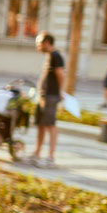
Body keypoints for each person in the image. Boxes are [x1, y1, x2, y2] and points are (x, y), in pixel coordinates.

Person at [32, 33, 66, 167]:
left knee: (50, 125)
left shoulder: (56, 56)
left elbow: (61, 75)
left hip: (51, 96)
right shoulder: (49, 56)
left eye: (39, 44)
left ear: (46, 42)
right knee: (40, 124)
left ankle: (50, 157)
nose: (37, 47)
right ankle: (36, 153)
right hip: (44, 95)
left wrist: (60, 92)